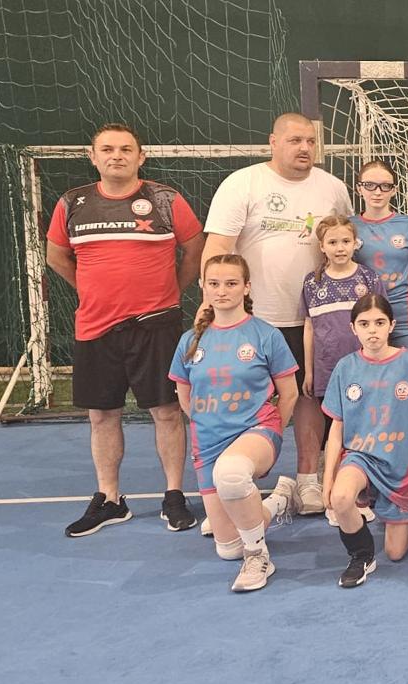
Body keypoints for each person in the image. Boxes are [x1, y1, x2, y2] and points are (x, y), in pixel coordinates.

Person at [47, 123, 205, 537]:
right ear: (93, 156)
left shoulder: (166, 200)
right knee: (101, 415)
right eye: (107, 149)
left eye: (125, 149)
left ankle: (174, 495)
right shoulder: (72, 203)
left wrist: (171, 292)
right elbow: (56, 256)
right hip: (96, 327)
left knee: (167, 411)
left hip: (156, 326)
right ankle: (110, 499)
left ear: (140, 156)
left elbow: (195, 250)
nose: (116, 156)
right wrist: (92, 291)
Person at [203, 113, 351, 517]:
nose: (304, 148)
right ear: (272, 141)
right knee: (244, 399)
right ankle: (234, 487)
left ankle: (307, 480)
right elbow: (218, 248)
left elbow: (344, 242)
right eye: (295, 140)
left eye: (310, 141)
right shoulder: (243, 183)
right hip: (253, 319)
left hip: (313, 319)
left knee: (308, 396)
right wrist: (212, 304)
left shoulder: (333, 189)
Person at [169, 254, 301, 592]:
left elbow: (289, 394)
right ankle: (280, 499)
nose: (222, 291)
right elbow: (185, 398)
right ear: (203, 286)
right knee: (228, 547)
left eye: (231, 283)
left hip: (257, 430)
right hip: (208, 442)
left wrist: (272, 433)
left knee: (230, 474)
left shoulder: (265, 335)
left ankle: (258, 557)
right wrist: (211, 422)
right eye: (214, 283)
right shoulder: (190, 341)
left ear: (246, 287)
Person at [320, 294, 408, 588]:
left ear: (392, 325)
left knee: (396, 553)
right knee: (341, 498)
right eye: (364, 324)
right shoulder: (345, 368)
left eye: (379, 322)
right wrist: (328, 477)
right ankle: (361, 555)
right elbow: (336, 427)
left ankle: (404, 520)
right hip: (360, 457)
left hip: (401, 463)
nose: (372, 330)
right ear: (353, 328)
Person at [302, 215, 385, 408]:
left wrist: (381, 363)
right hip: (327, 371)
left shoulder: (368, 278)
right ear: (322, 246)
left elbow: (383, 324)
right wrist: (309, 372)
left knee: (365, 419)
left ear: (355, 243)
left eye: (346, 241)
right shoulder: (312, 283)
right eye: (332, 242)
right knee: (332, 422)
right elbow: (309, 327)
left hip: (366, 368)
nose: (340, 248)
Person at [353, 159, 408, 354]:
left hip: (404, 314)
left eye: (385, 186)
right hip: (365, 315)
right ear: (359, 188)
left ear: (394, 190)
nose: (377, 192)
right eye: (369, 185)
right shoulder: (349, 227)